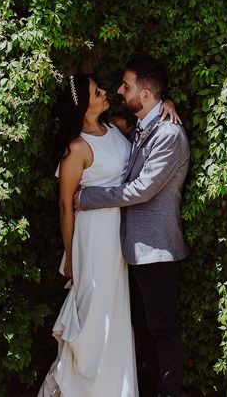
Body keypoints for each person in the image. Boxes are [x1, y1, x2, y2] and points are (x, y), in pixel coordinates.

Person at [39, 73, 180, 397]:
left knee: (117, 314)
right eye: (96, 92)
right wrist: (71, 255)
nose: (105, 93)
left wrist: (166, 104)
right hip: (92, 239)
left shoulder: (116, 125)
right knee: (93, 316)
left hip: (119, 238)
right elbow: (65, 206)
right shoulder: (77, 148)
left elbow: (148, 123)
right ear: (82, 106)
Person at [76, 56, 190, 397]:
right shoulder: (142, 124)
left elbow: (141, 190)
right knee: (144, 328)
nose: (120, 91)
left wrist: (87, 197)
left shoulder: (168, 134)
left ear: (145, 95)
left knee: (162, 329)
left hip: (156, 247)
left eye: (127, 87)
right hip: (132, 249)